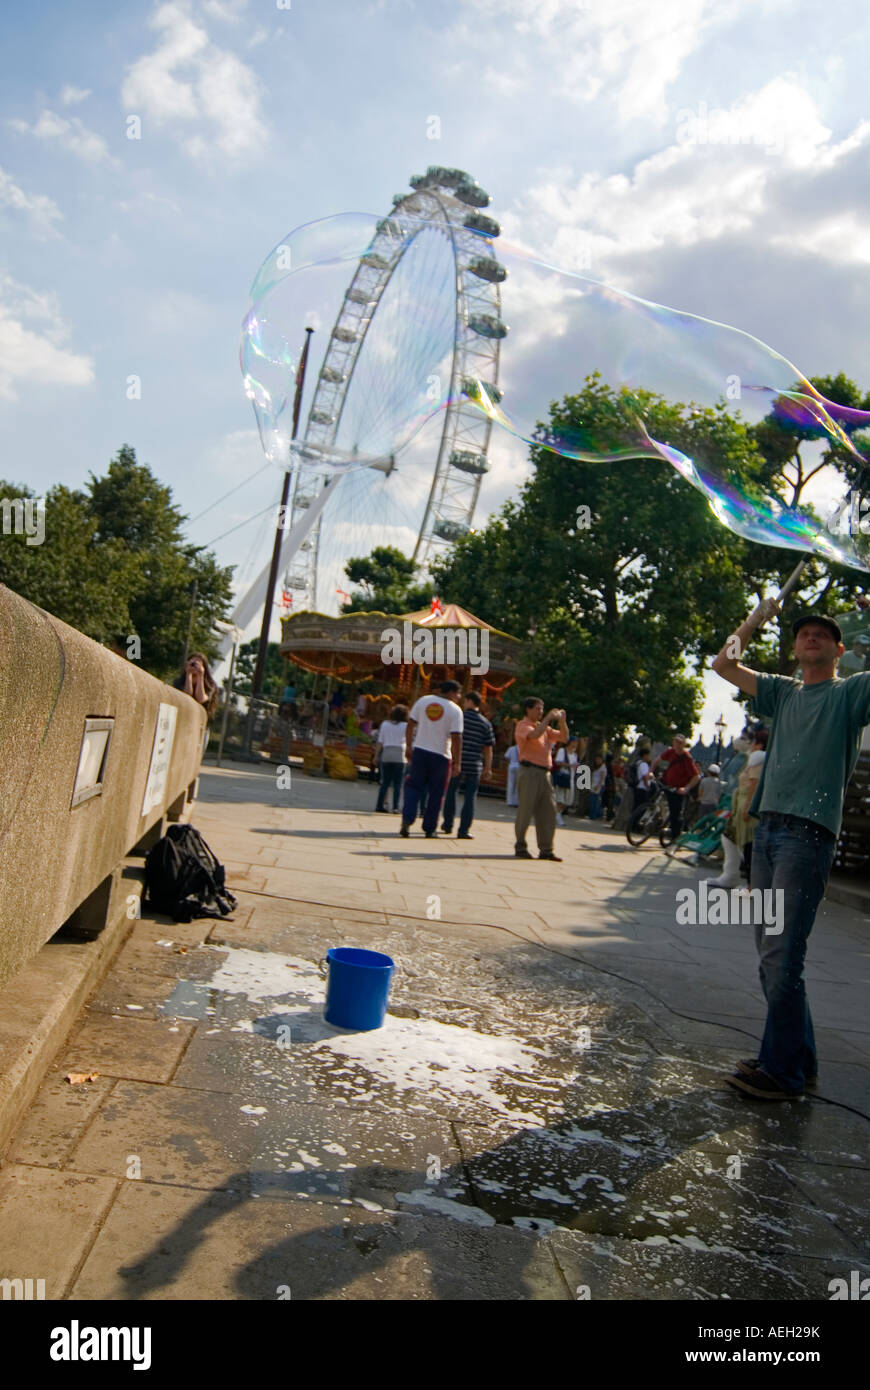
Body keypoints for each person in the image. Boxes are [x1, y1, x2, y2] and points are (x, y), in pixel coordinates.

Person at [712, 598, 870, 1099]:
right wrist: (755, 619)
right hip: (770, 831)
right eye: (804, 632)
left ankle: (781, 1073)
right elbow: (722, 665)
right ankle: (799, 1058)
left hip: (808, 834)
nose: (811, 636)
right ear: (795, 647)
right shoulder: (782, 693)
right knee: (771, 954)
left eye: (823, 633)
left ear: (839, 651)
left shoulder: (850, 694)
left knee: (782, 954)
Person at [400, 679, 463, 838]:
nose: (459, 697)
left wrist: (408, 745)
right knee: (437, 792)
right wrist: (457, 761)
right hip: (441, 756)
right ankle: (429, 827)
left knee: (413, 786)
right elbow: (456, 737)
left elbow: (410, 724)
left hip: (420, 750)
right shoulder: (455, 710)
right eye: (458, 693)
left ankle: (407, 820)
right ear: (451, 692)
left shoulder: (424, 701)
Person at [706, 728, 767, 887]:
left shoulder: (758, 759)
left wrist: (748, 807)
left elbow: (754, 783)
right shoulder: (755, 758)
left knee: (747, 844)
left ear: (759, 745)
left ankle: (750, 883)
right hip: (740, 803)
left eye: (753, 742)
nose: (750, 744)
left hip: (745, 804)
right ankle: (732, 876)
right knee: (730, 837)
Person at [514, 697, 568, 861]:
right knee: (526, 810)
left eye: (542, 709)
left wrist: (562, 722)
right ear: (528, 710)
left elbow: (564, 738)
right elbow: (534, 735)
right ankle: (521, 845)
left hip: (545, 773)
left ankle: (546, 849)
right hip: (529, 771)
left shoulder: (544, 727)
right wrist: (547, 719)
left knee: (548, 811)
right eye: (537, 708)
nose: (541, 712)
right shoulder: (523, 726)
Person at [441, 691, 495, 838]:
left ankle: (447, 824)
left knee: (451, 792)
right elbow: (488, 748)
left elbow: (451, 737)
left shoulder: (460, 717)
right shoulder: (486, 723)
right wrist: (488, 768)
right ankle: (464, 830)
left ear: (469, 701)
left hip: (457, 761)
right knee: (470, 797)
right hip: (475, 764)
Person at [654, 733, 701, 840]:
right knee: (655, 796)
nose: (677, 745)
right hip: (666, 782)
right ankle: (655, 816)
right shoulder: (670, 752)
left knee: (675, 813)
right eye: (676, 742)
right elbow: (657, 760)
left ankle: (675, 838)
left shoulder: (687, 758)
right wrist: (650, 772)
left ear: (683, 744)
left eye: (680, 743)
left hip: (678, 788)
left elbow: (696, 777)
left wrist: (686, 788)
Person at [374, 704, 408, 812]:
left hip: (387, 754)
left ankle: (380, 805)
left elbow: (380, 741)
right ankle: (395, 807)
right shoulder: (406, 726)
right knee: (398, 784)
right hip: (400, 754)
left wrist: (376, 755)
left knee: (385, 783)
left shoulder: (385, 724)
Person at [174, 652, 218, 720]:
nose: (195, 666)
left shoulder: (210, 685)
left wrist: (200, 675)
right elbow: (186, 697)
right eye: (192, 663)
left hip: (199, 719)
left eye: (198, 664)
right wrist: (188, 674)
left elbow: (201, 699)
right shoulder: (179, 681)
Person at [553, 737, 580, 824]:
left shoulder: (575, 755)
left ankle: (557, 814)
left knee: (568, 801)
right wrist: (570, 765)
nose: (575, 744)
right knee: (560, 799)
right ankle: (558, 817)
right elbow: (558, 762)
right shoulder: (562, 751)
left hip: (571, 779)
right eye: (574, 742)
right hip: (563, 777)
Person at [588, 753, 606, 820]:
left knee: (595, 802)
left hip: (598, 786)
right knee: (592, 801)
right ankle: (592, 815)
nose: (597, 760)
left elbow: (602, 778)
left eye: (599, 759)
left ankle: (595, 815)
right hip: (593, 785)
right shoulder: (596, 767)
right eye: (597, 759)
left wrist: (598, 786)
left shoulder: (603, 767)